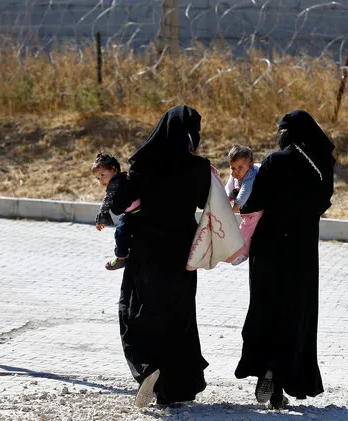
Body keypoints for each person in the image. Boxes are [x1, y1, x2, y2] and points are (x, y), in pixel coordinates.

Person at [234, 110, 335, 409]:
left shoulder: (275, 161)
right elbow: (322, 203)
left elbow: (256, 201)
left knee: (266, 308)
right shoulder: (322, 165)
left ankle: (266, 370)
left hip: (268, 250)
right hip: (302, 252)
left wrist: (238, 204)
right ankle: (280, 380)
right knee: (295, 313)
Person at [119, 105, 211, 408]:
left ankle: (147, 367)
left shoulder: (143, 164)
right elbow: (204, 202)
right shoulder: (198, 167)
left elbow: (123, 204)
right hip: (182, 249)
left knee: (138, 311)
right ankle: (175, 389)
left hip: (146, 249)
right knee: (179, 316)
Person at [92, 153, 140, 270]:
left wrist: (101, 218)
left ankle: (120, 258)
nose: (101, 179)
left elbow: (106, 201)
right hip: (134, 213)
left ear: (113, 169)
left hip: (135, 214)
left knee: (120, 233)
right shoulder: (123, 177)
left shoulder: (114, 184)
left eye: (103, 175)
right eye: (98, 177)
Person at [224, 145, 260, 213]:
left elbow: (246, 189)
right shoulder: (236, 173)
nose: (236, 171)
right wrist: (225, 199)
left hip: (258, 199)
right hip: (244, 197)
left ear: (250, 165)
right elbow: (229, 187)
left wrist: (237, 205)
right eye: (233, 168)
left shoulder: (251, 172)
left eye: (240, 167)